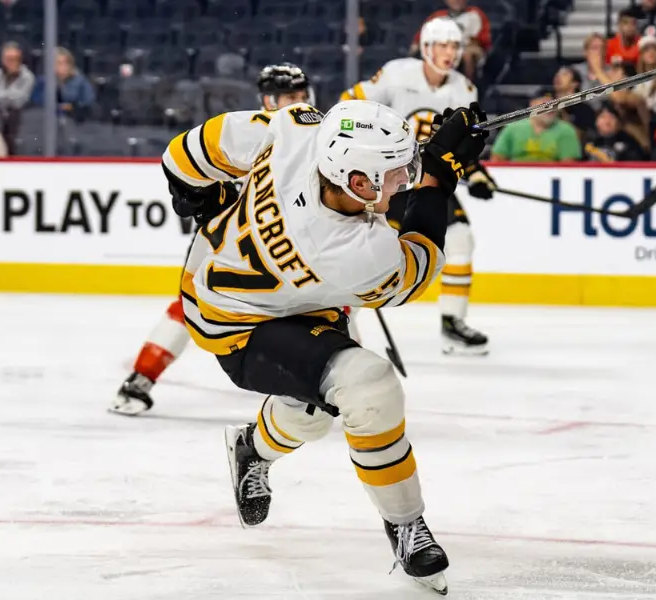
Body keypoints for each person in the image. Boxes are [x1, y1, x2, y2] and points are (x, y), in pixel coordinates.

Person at [162, 94, 487, 594]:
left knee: (310, 414)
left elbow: (186, 151)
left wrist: (194, 196)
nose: (404, 179)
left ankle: (251, 449)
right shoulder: (356, 253)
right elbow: (417, 269)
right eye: (395, 174)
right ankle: (405, 522)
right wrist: (440, 177)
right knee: (368, 386)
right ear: (358, 182)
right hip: (237, 323)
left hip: (260, 284)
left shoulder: (296, 128)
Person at [111, 62, 315, 416]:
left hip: (284, 244)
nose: (298, 103)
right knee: (190, 306)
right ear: (269, 100)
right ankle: (140, 379)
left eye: (301, 95)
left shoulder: (316, 136)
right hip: (230, 242)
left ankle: (333, 385)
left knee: (327, 305)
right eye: (288, 97)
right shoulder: (247, 130)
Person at [340, 17, 495, 355]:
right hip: (386, 180)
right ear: (426, 48)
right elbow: (348, 107)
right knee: (358, 253)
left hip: (429, 179)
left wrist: (476, 173)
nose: (449, 53)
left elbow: (461, 144)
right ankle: (341, 324)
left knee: (460, 239)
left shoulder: (465, 90)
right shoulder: (396, 74)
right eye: (442, 45)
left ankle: (453, 324)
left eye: (454, 46)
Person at [490, 92, 583, 162]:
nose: (550, 109)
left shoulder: (566, 130)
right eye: (544, 104)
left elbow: (569, 165)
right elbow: (497, 159)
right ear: (532, 105)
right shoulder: (512, 128)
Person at [413, 0, 492, 80]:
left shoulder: (475, 15)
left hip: (468, 47)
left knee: (467, 54)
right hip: (442, 46)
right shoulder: (438, 16)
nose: (456, 1)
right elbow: (420, 38)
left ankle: (468, 83)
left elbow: (484, 41)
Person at [30, 47, 96, 122]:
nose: (64, 67)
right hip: (45, 121)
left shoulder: (81, 81)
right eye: (59, 63)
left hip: (75, 121)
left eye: (67, 63)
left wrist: (70, 107)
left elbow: (88, 102)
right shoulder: (42, 82)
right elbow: (36, 102)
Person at [584, 102, 648, 162]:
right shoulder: (590, 141)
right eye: (603, 117)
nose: (607, 120)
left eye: (611, 117)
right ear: (596, 122)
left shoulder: (627, 141)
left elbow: (638, 161)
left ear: (618, 123)